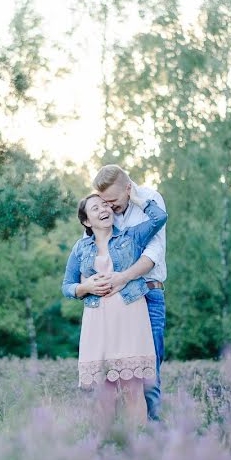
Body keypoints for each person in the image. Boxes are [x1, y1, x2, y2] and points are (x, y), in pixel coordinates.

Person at [62, 189, 167, 428]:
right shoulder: (80, 248)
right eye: (95, 208)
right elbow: (67, 286)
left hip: (130, 314)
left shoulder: (131, 237)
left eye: (105, 205)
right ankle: (106, 449)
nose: (103, 209)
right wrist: (85, 286)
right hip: (98, 319)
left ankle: (138, 446)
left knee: (133, 389)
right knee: (104, 391)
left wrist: (136, 196)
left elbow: (159, 218)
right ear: (87, 221)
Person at [92, 165, 167, 422]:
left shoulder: (150, 199)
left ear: (128, 188)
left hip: (147, 294)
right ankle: (120, 441)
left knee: (148, 373)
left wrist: (123, 277)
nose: (108, 207)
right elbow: (90, 249)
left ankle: (153, 438)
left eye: (113, 200)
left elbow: (154, 253)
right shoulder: (102, 207)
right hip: (113, 301)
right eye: (104, 202)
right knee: (114, 372)